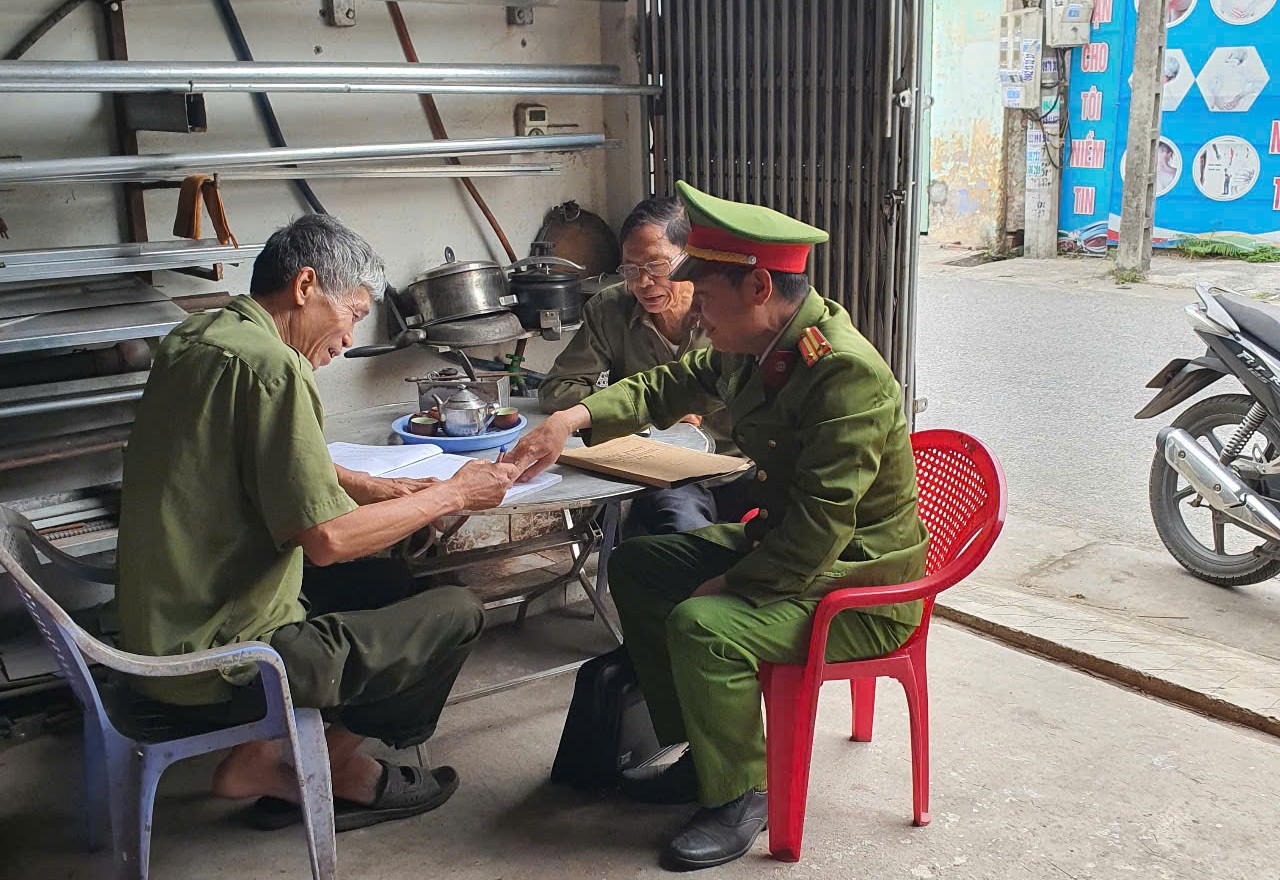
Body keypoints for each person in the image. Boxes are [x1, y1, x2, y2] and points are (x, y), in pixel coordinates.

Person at [509, 182, 929, 871]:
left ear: (759, 287)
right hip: (794, 547)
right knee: (639, 567)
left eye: (703, 295)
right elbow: (664, 387)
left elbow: (821, 529)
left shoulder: (842, 374)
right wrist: (569, 420)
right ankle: (704, 754)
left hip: (858, 582)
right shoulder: (753, 344)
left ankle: (741, 794)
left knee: (700, 623)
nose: (694, 311)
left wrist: (728, 584)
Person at [116, 214, 522, 832]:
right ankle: (327, 770)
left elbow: (256, 456)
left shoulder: (196, 338)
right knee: (456, 612)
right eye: (352, 313)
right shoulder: (275, 368)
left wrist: (375, 488)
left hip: (158, 625)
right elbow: (328, 542)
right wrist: (453, 493)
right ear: (305, 286)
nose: (349, 338)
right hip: (222, 662)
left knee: (389, 583)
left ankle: (256, 760)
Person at [539, 197, 751, 537]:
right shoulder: (610, 309)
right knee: (682, 533)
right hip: (664, 470)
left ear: (690, 259)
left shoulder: (724, 309)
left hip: (737, 467)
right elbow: (557, 389)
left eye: (657, 266)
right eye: (630, 270)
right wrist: (643, 411)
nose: (643, 282)